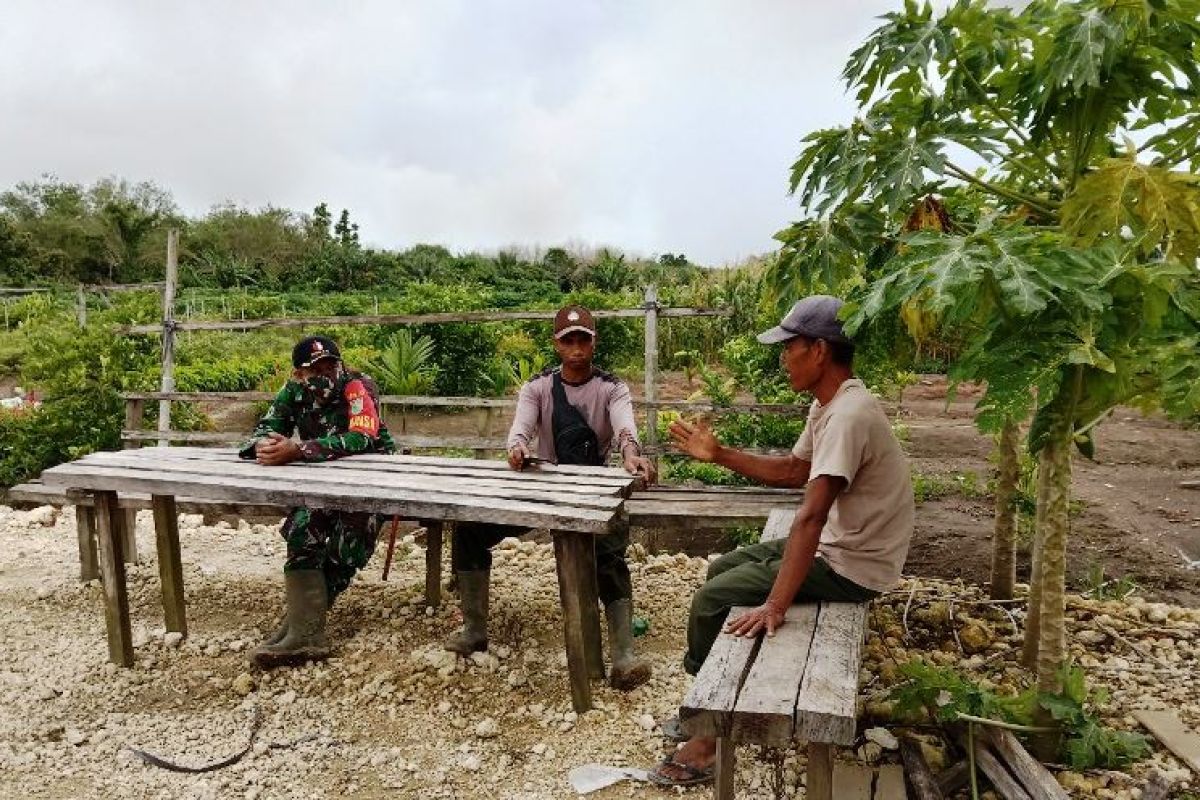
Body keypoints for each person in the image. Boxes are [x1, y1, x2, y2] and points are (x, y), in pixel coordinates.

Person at [650, 295, 915, 786]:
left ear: (818, 350)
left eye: (788, 347)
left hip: (853, 566)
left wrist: (775, 604)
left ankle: (709, 737)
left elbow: (811, 517)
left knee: (712, 598)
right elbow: (796, 471)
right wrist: (720, 453)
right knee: (719, 570)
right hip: (842, 543)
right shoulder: (832, 404)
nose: (782, 357)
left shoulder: (849, 415)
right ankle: (709, 701)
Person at [444, 304, 659, 691]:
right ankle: (474, 628)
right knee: (470, 529)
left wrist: (631, 453)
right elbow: (520, 429)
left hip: (591, 490)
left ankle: (624, 653)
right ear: (557, 345)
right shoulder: (538, 387)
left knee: (608, 554)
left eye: (583, 339)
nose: (576, 347)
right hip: (542, 488)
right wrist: (518, 449)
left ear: (593, 343)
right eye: (568, 340)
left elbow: (625, 428)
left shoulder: (612, 388)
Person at [240, 335, 397, 668]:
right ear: (300, 374)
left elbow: (362, 436)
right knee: (301, 530)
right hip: (322, 484)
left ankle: (301, 627)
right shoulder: (292, 392)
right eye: (315, 368)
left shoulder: (357, 387)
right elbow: (266, 427)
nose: (325, 372)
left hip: (374, 482)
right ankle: (304, 631)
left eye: (330, 363)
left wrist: (300, 449)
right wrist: (263, 446)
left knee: (347, 545)